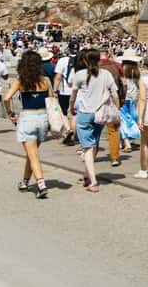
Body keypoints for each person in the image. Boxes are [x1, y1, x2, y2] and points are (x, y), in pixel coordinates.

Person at [3, 50, 51, 198]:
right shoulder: (45, 81)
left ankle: (41, 184)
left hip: (28, 117)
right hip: (43, 117)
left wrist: (10, 113)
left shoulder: (20, 81)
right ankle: (25, 181)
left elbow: (6, 98)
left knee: (33, 155)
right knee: (32, 153)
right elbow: (52, 100)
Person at [70, 49, 119, 192]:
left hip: (85, 113)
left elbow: (73, 96)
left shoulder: (80, 75)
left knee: (88, 147)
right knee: (93, 144)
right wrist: (116, 111)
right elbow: (115, 95)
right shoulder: (106, 74)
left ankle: (93, 181)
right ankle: (87, 175)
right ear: (99, 60)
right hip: (100, 114)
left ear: (85, 60)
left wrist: (70, 108)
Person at [99, 48, 125, 167]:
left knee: (95, 130)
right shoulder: (117, 65)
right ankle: (114, 157)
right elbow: (124, 83)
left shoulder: (94, 66)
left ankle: (91, 154)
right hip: (112, 101)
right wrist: (121, 99)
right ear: (108, 54)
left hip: (97, 102)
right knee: (113, 130)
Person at [53, 47, 77, 145]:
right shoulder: (82, 59)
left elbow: (58, 77)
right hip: (78, 91)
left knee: (64, 113)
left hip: (65, 91)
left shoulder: (62, 60)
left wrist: (55, 90)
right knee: (74, 113)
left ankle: (68, 129)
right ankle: (75, 135)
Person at [120, 50, 141, 154]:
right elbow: (139, 85)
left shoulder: (122, 69)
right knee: (131, 118)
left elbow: (122, 84)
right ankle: (122, 142)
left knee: (123, 119)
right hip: (134, 98)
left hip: (124, 97)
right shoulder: (136, 71)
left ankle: (126, 143)